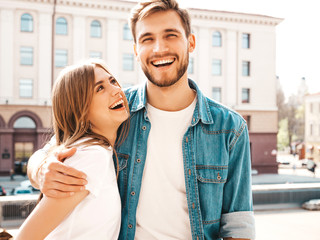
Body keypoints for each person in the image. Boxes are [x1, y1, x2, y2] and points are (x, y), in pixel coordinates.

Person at [27, 0, 255, 239]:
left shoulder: (230, 128)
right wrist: (40, 169)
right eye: (147, 39)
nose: (159, 49)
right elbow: (57, 148)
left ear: (191, 42)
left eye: (170, 35)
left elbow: (238, 225)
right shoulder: (116, 111)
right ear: (136, 50)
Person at [17, 59, 129, 240]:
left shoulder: (98, 151)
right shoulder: (91, 155)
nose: (117, 90)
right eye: (99, 88)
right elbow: (26, 236)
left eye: (113, 81)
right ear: (80, 110)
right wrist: (38, 169)